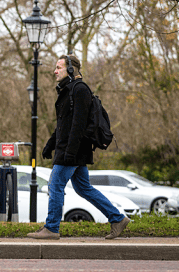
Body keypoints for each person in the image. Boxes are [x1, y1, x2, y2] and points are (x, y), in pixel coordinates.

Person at [28, 54, 130, 240]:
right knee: (84, 188)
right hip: (69, 149)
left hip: (72, 150)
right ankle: (117, 218)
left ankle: (51, 228)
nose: (54, 71)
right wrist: (49, 145)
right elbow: (63, 125)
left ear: (70, 69)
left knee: (55, 184)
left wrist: (70, 153)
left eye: (58, 67)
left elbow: (78, 124)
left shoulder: (80, 89)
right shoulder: (68, 90)